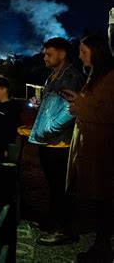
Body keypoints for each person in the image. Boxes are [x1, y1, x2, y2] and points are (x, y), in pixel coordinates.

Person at [28, 37, 85, 245]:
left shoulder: (72, 76)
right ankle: (53, 222)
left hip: (60, 143)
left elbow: (72, 110)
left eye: (49, 53)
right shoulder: (52, 76)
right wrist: (39, 105)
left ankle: (65, 230)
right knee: (52, 185)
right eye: (44, 53)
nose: (45, 57)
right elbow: (52, 106)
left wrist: (50, 128)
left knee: (62, 187)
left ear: (62, 54)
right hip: (48, 142)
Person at [62, 34, 114, 262]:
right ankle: (100, 246)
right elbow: (93, 105)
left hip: (103, 148)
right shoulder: (95, 75)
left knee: (105, 197)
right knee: (100, 199)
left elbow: (107, 113)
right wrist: (78, 102)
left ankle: (103, 248)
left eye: (84, 52)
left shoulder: (110, 77)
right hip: (92, 145)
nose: (80, 56)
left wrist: (80, 104)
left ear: (98, 51)